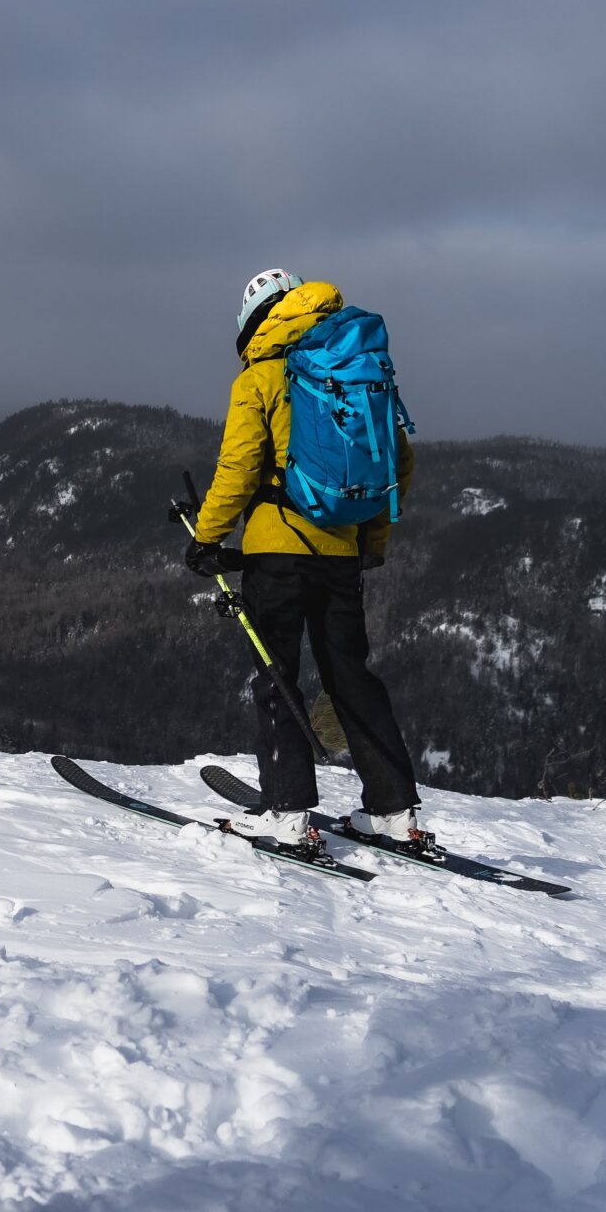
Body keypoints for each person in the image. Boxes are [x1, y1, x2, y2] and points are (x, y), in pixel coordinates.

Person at [183, 267, 428, 852]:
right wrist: (370, 544)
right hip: (341, 553)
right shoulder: (355, 369)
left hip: (276, 554)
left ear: (253, 322)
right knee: (352, 679)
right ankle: (394, 812)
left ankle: (287, 811)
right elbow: (398, 462)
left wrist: (207, 537)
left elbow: (241, 465)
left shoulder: (263, 375)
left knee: (276, 677)